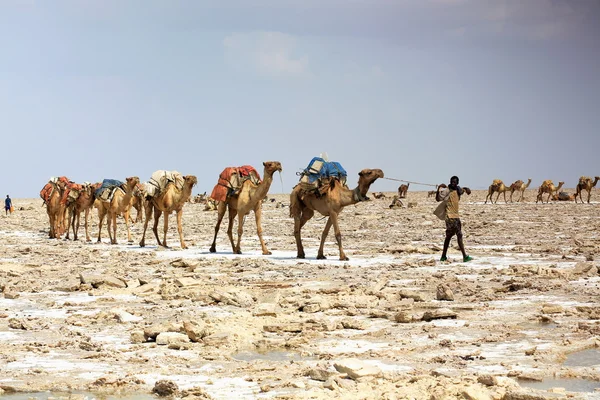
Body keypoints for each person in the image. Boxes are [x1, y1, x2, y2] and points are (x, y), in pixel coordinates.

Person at [436, 176, 472, 262]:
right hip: (450, 216)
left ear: (457, 183)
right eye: (452, 182)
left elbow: (464, 190)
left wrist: (467, 189)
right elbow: (437, 199)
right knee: (459, 235)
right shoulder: (446, 191)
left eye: (455, 182)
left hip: (455, 216)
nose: (453, 183)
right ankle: (465, 256)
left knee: (449, 236)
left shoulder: (458, 190)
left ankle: (443, 256)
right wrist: (438, 189)